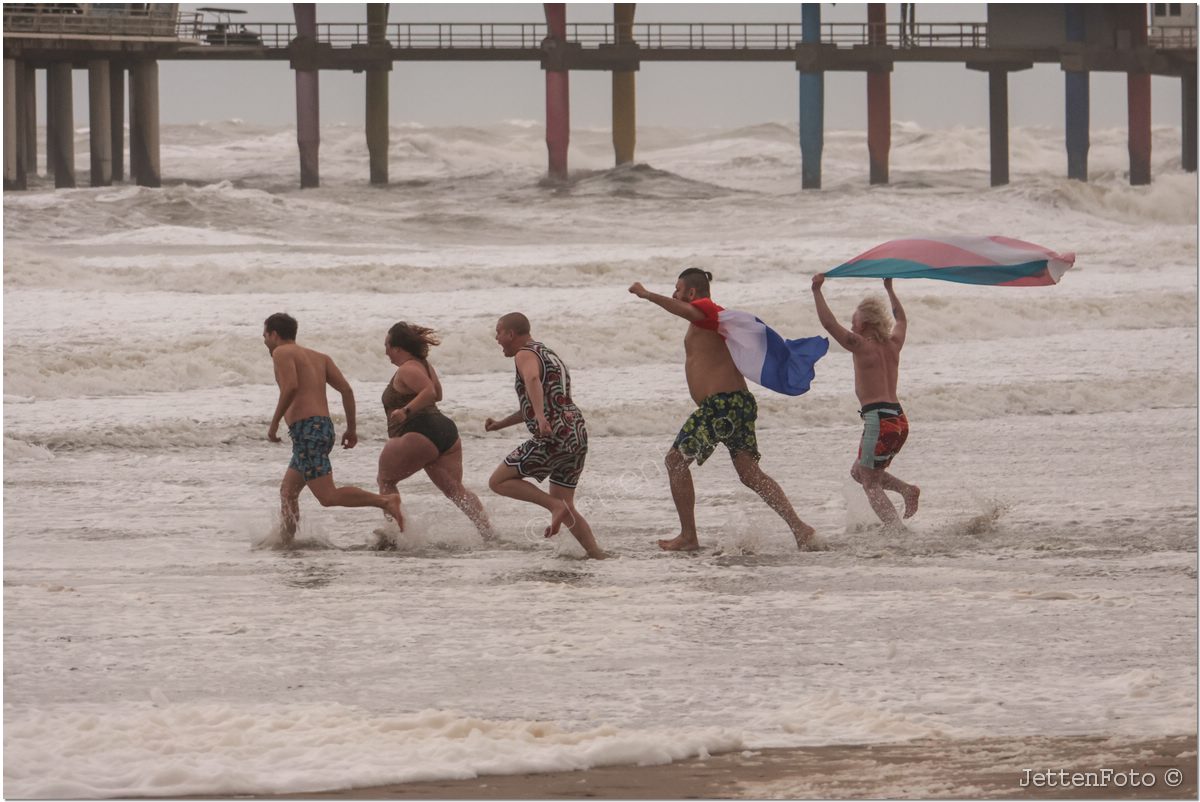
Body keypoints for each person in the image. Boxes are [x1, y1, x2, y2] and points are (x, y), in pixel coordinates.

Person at [628, 269, 818, 552]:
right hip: (737, 403)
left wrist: (646, 295)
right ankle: (800, 528)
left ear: (692, 293)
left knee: (675, 462)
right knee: (749, 473)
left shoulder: (705, 310)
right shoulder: (710, 319)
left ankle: (689, 536)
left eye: (677, 289)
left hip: (722, 405)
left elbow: (682, 310)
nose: (674, 294)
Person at [263, 312, 402, 545]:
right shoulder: (320, 357)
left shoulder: (281, 352)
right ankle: (284, 542)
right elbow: (346, 390)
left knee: (327, 496)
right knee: (288, 491)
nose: (265, 341)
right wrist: (351, 429)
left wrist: (275, 422)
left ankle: (386, 501)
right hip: (320, 429)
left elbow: (291, 387)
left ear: (275, 334)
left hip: (307, 430)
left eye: (265, 335)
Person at [484, 313, 606, 559]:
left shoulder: (524, 353)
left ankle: (554, 506)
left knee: (497, 481)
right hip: (576, 433)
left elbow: (532, 380)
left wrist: (540, 418)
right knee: (567, 504)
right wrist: (500, 424)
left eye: (499, 332)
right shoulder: (548, 353)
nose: (496, 338)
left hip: (554, 434)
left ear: (511, 334)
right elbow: (539, 396)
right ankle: (596, 553)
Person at [810, 275, 920, 532]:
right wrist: (890, 289)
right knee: (860, 472)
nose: (850, 324)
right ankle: (907, 490)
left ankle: (896, 530)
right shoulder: (894, 344)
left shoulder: (859, 345)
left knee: (870, 482)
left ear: (867, 323)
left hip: (878, 421)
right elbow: (902, 320)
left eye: (854, 320)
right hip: (899, 421)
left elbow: (828, 323)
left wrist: (816, 290)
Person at [377, 321, 494, 541]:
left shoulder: (407, 369)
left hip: (419, 431)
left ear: (398, 348)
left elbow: (429, 392)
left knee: (386, 480)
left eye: (387, 346)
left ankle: (395, 534)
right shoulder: (423, 365)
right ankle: (488, 533)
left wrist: (406, 410)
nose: (385, 352)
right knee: (455, 490)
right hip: (444, 432)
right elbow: (438, 394)